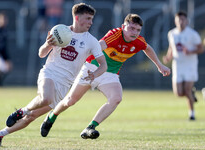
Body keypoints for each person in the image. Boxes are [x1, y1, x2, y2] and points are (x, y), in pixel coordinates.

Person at [0, 3, 107, 147]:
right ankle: (21, 111)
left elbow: (103, 65)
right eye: (88, 18)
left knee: (31, 117)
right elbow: (41, 54)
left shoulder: (91, 41)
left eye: (92, 19)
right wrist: (47, 45)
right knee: (46, 98)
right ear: (77, 18)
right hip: (49, 73)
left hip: (64, 85)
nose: (91, 22)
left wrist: (94, 75)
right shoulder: (59, 31)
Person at [40, 13, 171, 139]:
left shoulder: (138, 41)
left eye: (138, 30)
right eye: (131, 28)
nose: (135, 32)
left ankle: (90, 128)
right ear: (123, 26)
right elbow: (98, 46)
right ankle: (52, 116)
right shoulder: (115, 35)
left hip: (110, 74)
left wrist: (159, 65)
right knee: (70, 101)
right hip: (91, 68)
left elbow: (147, 48)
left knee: (116, 98)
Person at [163, 11, 204, 121]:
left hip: (190, 65)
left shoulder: (192, 34)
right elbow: (172, 47)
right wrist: (168, 57)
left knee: (187, 90)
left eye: (183, 20)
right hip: (178, 65)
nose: (180, 22)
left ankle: (192, 114)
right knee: (179, 93)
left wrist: (190, 51)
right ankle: (192, 93)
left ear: (186, 21)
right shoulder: (172, 33)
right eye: (178, 20)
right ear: (175, 21)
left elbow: (201, 48)